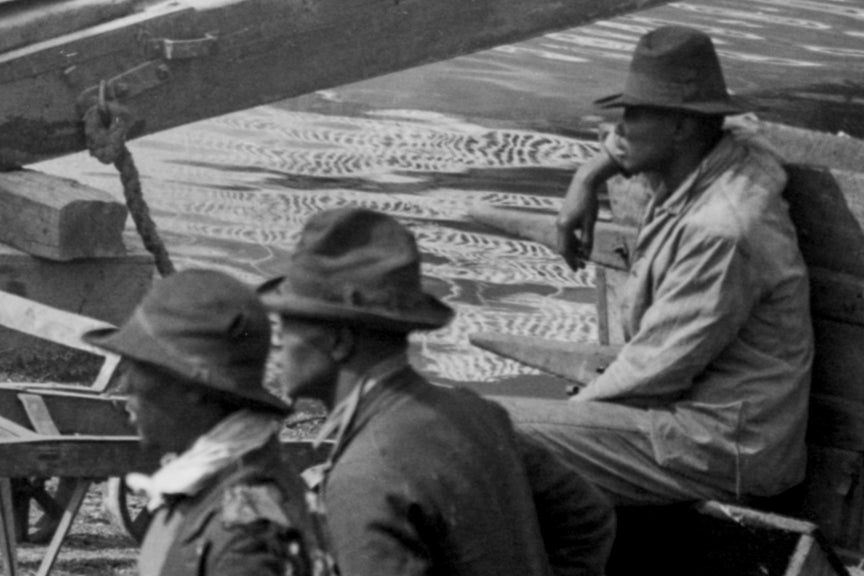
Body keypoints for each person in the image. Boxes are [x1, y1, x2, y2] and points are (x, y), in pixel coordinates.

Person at [498, 26, 814, 506]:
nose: (618, 130)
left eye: (633, 114)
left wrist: (561, 418)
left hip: (717, 447)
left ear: (682, 127)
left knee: (487, 433)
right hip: (684, 424)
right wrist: (590, 173)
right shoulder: (716, 153)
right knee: (490, 433)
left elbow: (653, 372)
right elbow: (656, 139)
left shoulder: (722, 230)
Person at [260, 207, 615, 576]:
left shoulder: (363, 478)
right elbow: (588, 517)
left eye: (286, 326)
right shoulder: (477, 414)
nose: (275, 345)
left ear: (339, 341)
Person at [84, 269, 327, 576]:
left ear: (194, 390)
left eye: (139, 368)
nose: (125, 388)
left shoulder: (245, 537)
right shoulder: (208, 488)